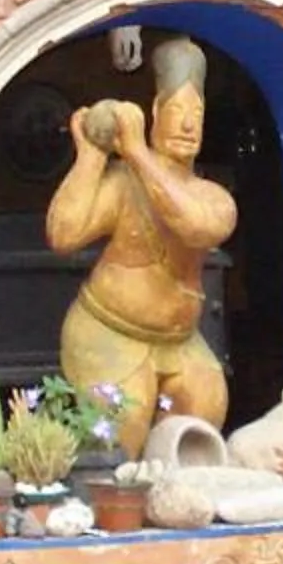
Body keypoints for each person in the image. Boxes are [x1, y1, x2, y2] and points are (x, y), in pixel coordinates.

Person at [47, 35, 235, 456]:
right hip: (109, 331)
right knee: (122, 432)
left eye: (197, 114)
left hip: (180, 339)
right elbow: (64, 235)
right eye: (177, 112)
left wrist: (136, 151)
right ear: (154, 114)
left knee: (201, 420)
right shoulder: (122, 183)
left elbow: (193, 227)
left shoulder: (211, 196)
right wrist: (92, 155)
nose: (188, 125)